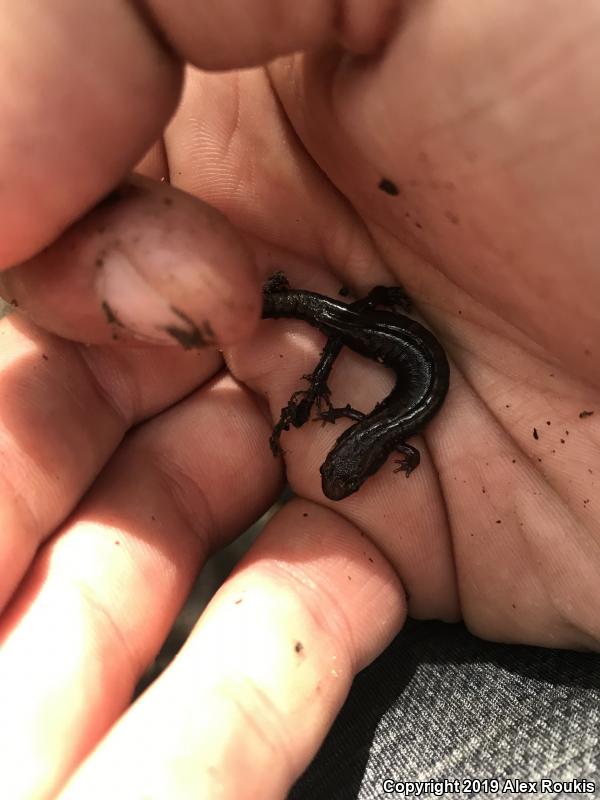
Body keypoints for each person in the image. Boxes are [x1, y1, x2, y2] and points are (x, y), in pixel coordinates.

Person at [0, 2, 598, 797]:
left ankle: (270, 302)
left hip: (378, 328)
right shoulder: (396, 432)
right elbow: (394, 431)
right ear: (368, 455)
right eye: (348, 470)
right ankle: (267, 302)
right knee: (321, 325)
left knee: (325, 328)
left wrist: (339, 401)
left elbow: (394, 432)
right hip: (377, 333)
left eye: (348, 470)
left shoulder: (393, 435)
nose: (345, 470)